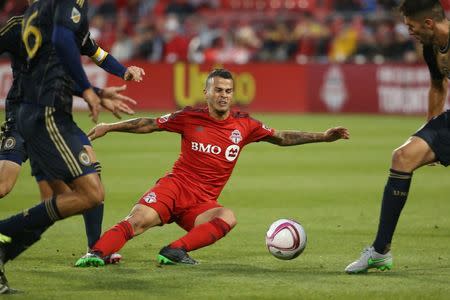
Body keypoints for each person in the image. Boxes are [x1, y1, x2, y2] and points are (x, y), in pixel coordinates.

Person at [75, 69, 350, 267]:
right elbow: (148, 123)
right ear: (206, 92)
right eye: (218, 90)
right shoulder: (189, 117)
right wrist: (110, 127)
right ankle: (95, 254)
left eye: (228, 91)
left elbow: (281, 137)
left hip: (202, 203)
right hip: (174, 188)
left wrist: (323, 136)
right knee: (136, 223)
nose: (223, 96)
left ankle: (174, 251)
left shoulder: (245, 125)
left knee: (227, 216)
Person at [0, 0, 142, 293]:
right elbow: (59, 52)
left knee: (61, 199)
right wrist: (91, 90)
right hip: (40, 112)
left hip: (49, 111)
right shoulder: (59, 10)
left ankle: (92, 247)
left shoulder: (54, 16)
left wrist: (107, 83)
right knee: (84, 194)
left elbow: (87, 54)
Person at [345, 0, 450, 274]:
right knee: (403, 157)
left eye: (411, 26)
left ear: (428, 23)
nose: (409, 32)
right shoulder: (432, 46)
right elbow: (439, 86)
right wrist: (431, 136)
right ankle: (380, 252)